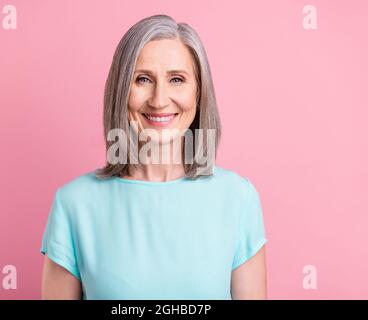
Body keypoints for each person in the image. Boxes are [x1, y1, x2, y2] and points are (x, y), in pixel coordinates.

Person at [40, 14, 268, 300]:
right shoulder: (73, 204)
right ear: (121, 91)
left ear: (199, 93)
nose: (159, 99)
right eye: (143, 79)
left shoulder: (238, 198)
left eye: (176, 79)